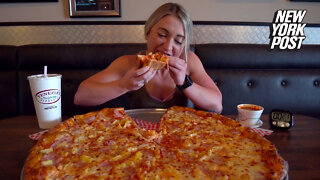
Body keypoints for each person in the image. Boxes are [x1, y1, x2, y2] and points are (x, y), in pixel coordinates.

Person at [74, 2, 223, 113]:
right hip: (140, 142)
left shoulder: (189, 60)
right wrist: (123, 85)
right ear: (148, 32)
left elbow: (217, 104)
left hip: (182, 141)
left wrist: (185, 82)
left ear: (184, 45)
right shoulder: (129, 63)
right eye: (162, 35)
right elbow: (81, 96)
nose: (168, 47)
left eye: (178, 41)